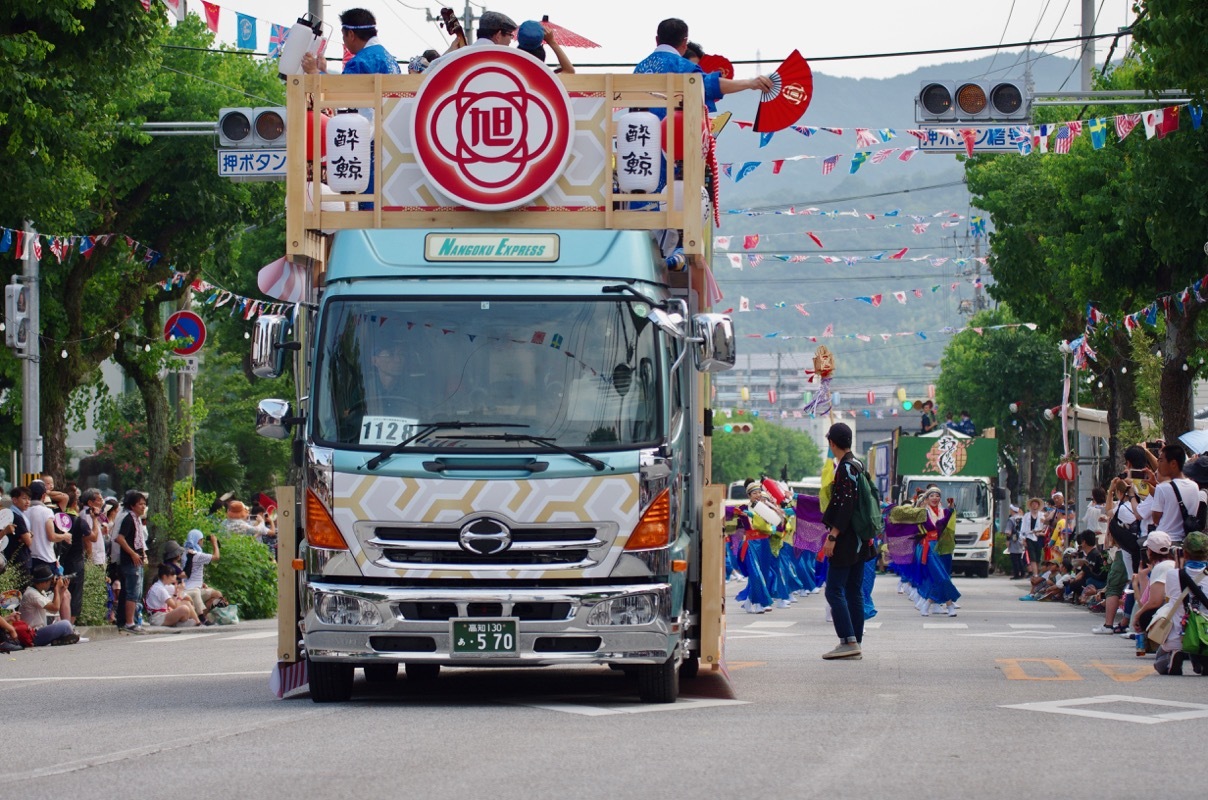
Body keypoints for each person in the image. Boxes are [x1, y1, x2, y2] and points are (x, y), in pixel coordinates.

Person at [633, 18, 772, 116]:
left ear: (657, 40)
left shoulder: (639, 68)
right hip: (671, 139)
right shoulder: (682, 66)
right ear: (685, 42)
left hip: (639, 140)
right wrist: (750, 83)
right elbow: (709, 85)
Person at [819, 422, 871, 660]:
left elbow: (844, 506)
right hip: (861, 537)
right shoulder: (859, 465)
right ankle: (855, 642)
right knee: (853, 591)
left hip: (847, 538)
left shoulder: (845, 468)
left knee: (834, 591)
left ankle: (848, 641)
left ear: (832, 443)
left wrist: (832, 536)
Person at [1138, 444, 1204, 545]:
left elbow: (1156, 519)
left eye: (1160, 461)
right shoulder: (1194, 486)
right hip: (1185, 541)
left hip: (1164, 540)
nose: (1158, 465)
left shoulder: (1163, 487)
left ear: (1173, 464)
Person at [61, 488, 102, 625]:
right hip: (76, 562)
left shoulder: (56, 519)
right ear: (74, 504)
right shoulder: (79, 520)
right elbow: (93, 538)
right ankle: (69, 625)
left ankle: (62, 624)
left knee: (62, 593)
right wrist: (95, 520)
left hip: (60, 562)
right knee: (75, 596)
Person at [112, 490, 148, 634]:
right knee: (131, 592)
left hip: (137, 559)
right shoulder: (128, 519)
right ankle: (129, 622)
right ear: (132, 505)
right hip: (130, 561)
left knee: (135, 592)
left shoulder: (136, 519)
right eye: (140, 504)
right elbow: (120, 538)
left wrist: (142, 554)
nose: (143, 507)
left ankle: (130, 619)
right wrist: (133, 553)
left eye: (144, 504)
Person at [18, 564, 79, 646]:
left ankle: (60, 639)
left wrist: (62, 590)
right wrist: (56, 589)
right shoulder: (31, 594)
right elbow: (55, 607)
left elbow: (53, 610)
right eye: (50, 581)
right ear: (43, 582)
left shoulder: (39, 592)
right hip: (32, 635)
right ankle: (62, 638)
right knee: (66, 624)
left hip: (37, 632)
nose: (51, 583)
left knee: (65, 625)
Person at [25, 480, 66, 574]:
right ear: (43, 496)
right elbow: (51, 536)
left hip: (29, 559)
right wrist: (65, 536)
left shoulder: (24, 512)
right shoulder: (46, 512)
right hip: (46, 558)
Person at [183, 530, 225, 621]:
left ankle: (200, 615)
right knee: (217, 595)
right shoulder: (196, 555)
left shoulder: (185, 552)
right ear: (198, 541)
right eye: (201, 540)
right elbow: (216, 557)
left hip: (188, 586)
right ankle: (201, 616)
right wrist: (214, 543)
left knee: (214, 593)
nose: (202, 542)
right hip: (193, 589)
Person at [144, 564, 201, 628]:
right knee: (184, 609)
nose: (175, 576)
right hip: (157, 618)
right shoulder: (160, 589)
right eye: (172, 575)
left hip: (162, 614)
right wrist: (180, 592)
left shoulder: (161, 586)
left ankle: (194, 623)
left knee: (186, 603)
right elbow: (175, 606)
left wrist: (176, 593)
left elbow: (174, 603)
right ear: (165, 577)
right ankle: (179, 623)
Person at [3, 486, 32, 574]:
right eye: (24, 498)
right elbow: (28, 541)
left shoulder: (14, 514)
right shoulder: (16, 517)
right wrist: (30, 535)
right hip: (19, 559)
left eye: (29, 499)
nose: (27, 502)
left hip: (13, 558)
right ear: (14, 500)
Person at [1018, 497, 1046, 577]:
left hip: (1039, 537)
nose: (1034, 505)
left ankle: (1038, 571)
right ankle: (1035, 574)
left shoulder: (1042, 515)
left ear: (1038, 505)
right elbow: (1022, 528)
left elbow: (1045, 527)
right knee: (1032, 556)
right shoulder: (1026, 516)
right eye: (1033, 504)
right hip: (1029, 537)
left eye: (1036, 504)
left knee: (1038, 556)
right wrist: (1023, 539)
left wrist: (1040, 532)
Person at [1006, 505, 1026, 579]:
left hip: (1014, 539)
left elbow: (1008, 531)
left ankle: (1016, 574)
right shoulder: (1023, 518)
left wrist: (1007, 540)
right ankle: (1023, 573)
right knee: (1020, 557)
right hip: (1022, 539)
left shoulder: (1011, 519)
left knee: (1014, 558)